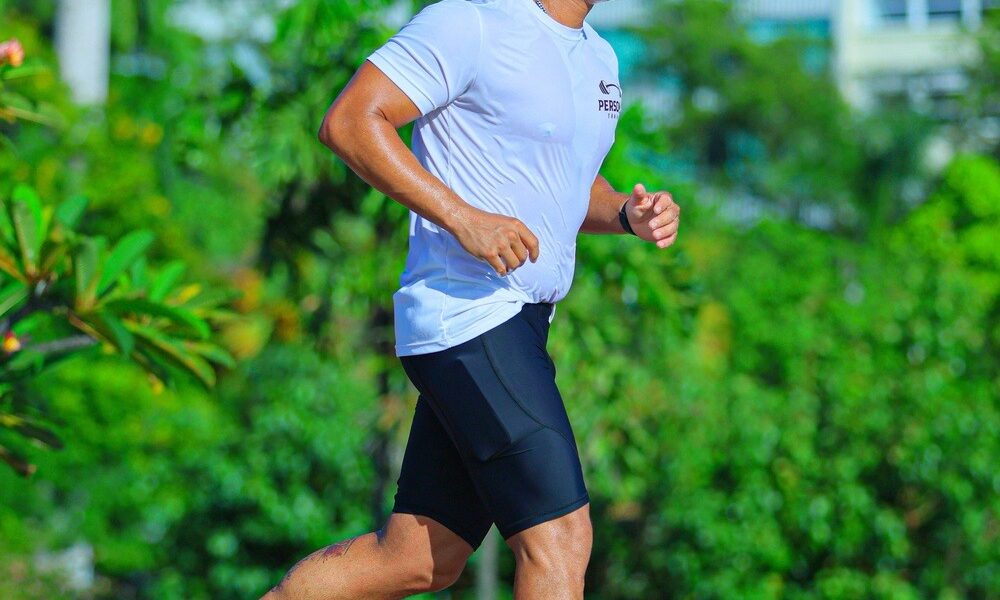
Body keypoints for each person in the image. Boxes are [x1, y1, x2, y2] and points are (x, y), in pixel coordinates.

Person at [262, 0, 680, 598]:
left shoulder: (598, 57)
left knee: (418, 559)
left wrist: (625, 213)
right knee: (560, 538)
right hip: (470, 314)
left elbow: (566, 180)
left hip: (523, 322)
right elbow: (351, 121)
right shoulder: (471, 22)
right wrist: (463, 218)